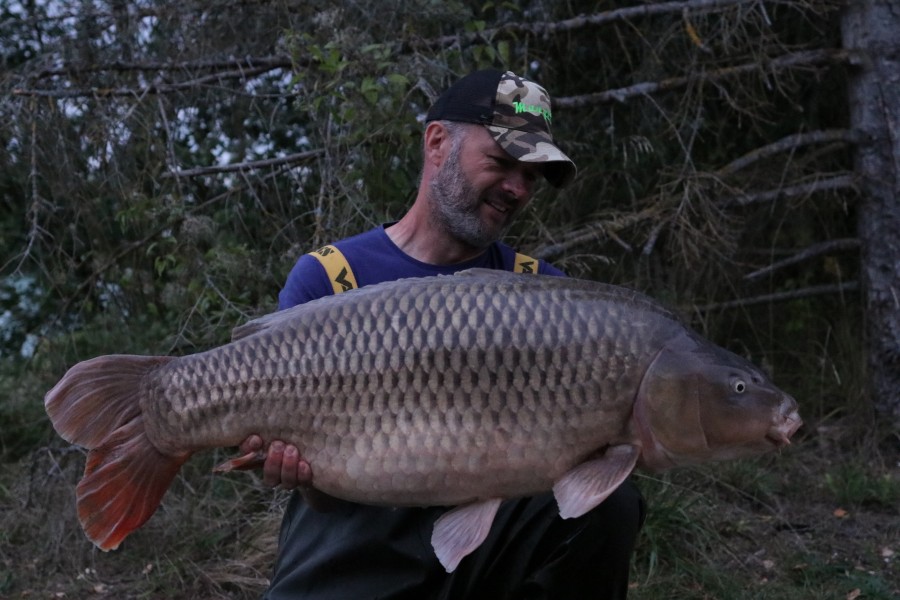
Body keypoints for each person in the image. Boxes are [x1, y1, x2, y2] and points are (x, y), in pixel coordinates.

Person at [240, 69, 646, 599]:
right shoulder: (332, 276)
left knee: (612, 505)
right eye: (502, 163)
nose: (517, 189)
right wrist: (295, 473)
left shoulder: (544, 295)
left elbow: (587, 475)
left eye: (532, 175)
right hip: (353, 539)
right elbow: (321, 496)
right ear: (437, 143)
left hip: (491, 541)